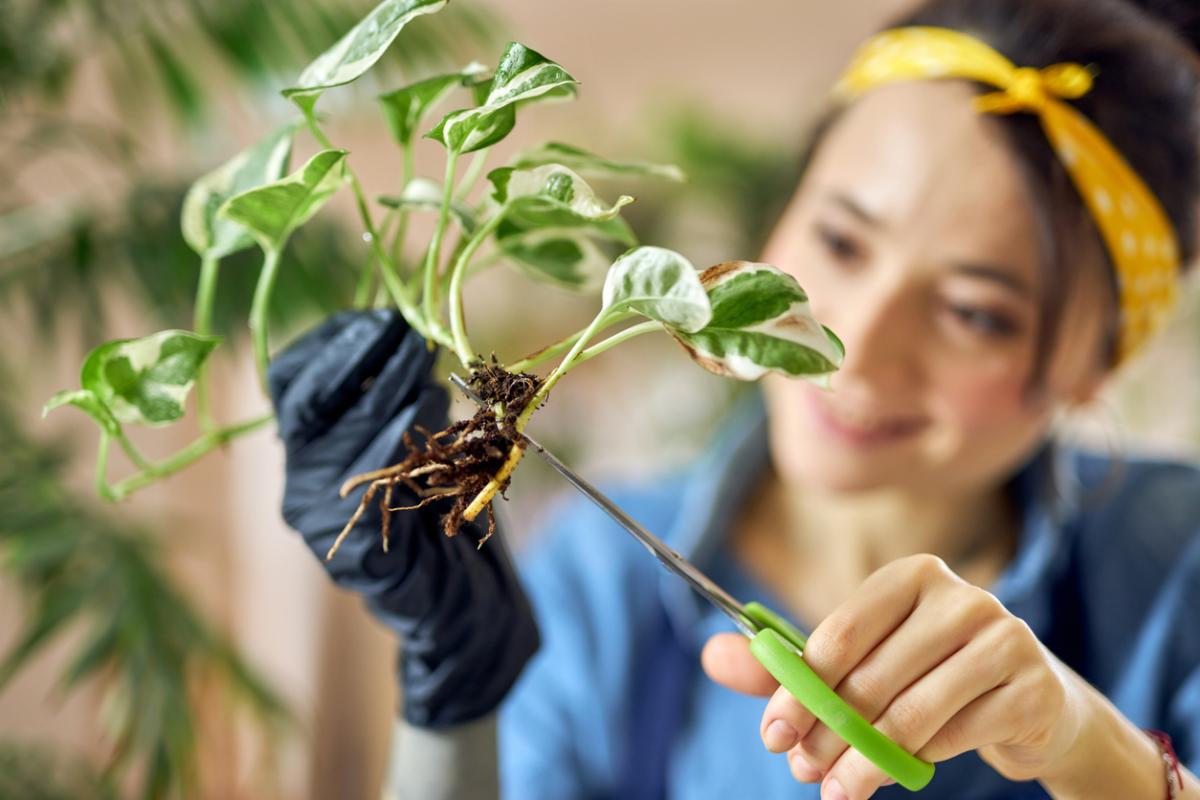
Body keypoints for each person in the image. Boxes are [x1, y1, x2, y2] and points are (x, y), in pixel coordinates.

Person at [267, 0, 1200, 796]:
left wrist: (1092, 747)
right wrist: (452, 699)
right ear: (781, 216)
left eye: (974, 312)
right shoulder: (598, 584)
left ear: (1098, 364)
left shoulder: (1179, 569)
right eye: (839, 242)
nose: (857, 351)